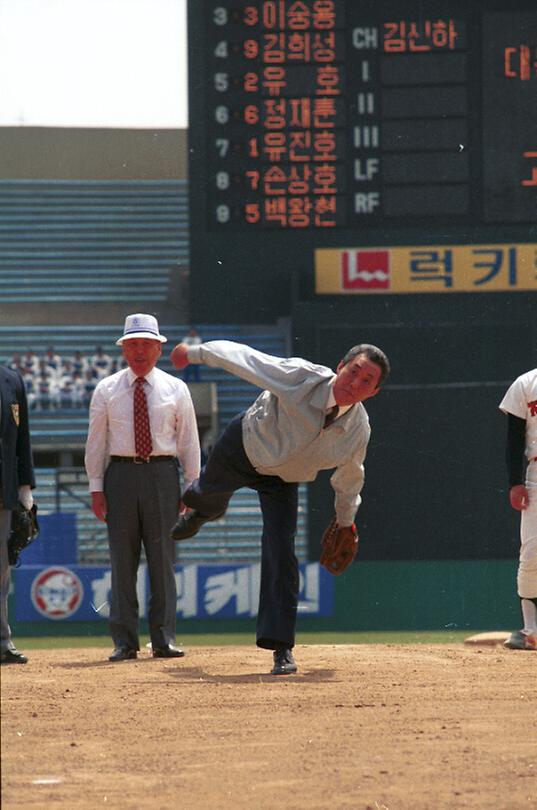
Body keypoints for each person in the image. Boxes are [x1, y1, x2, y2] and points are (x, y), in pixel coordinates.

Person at [169, 339, 390, 675]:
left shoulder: (357, 430)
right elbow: (248, 360)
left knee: (281, 550)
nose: (354, 384)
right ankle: (205, 510)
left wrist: (346, 522)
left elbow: (349, 478)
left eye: (366, 382)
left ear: (373, 393)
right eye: (353, 371)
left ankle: (281, 647)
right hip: (244, 447)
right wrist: (196, 353)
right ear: (340, 366)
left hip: (283, 479)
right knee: (204, 497)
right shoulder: (301, 377)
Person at [85, 314, 200, 662]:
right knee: (122, 560)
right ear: (123, 349)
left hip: (163, 474)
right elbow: (96, 441)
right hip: (119, 475)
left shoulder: (176, 389)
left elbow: (188, 440)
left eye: (146, 344)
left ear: (159, 348)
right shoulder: (106, 389)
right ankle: (124, 642)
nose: (139, 351)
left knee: (164, 559)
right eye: (132, 344)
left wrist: (192, 484)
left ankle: (164, 639)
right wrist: (96, 486)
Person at [499, 368, 537, 651]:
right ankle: (530, 630)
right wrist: (515, 482)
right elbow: (514, 437)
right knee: (532, 550)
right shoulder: (526, 383)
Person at [0, 365, 35, 664]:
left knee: (0, 570)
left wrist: (25, 486)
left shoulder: (10, 379)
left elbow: (21, 437)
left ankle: (2, 642)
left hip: (3, 489)